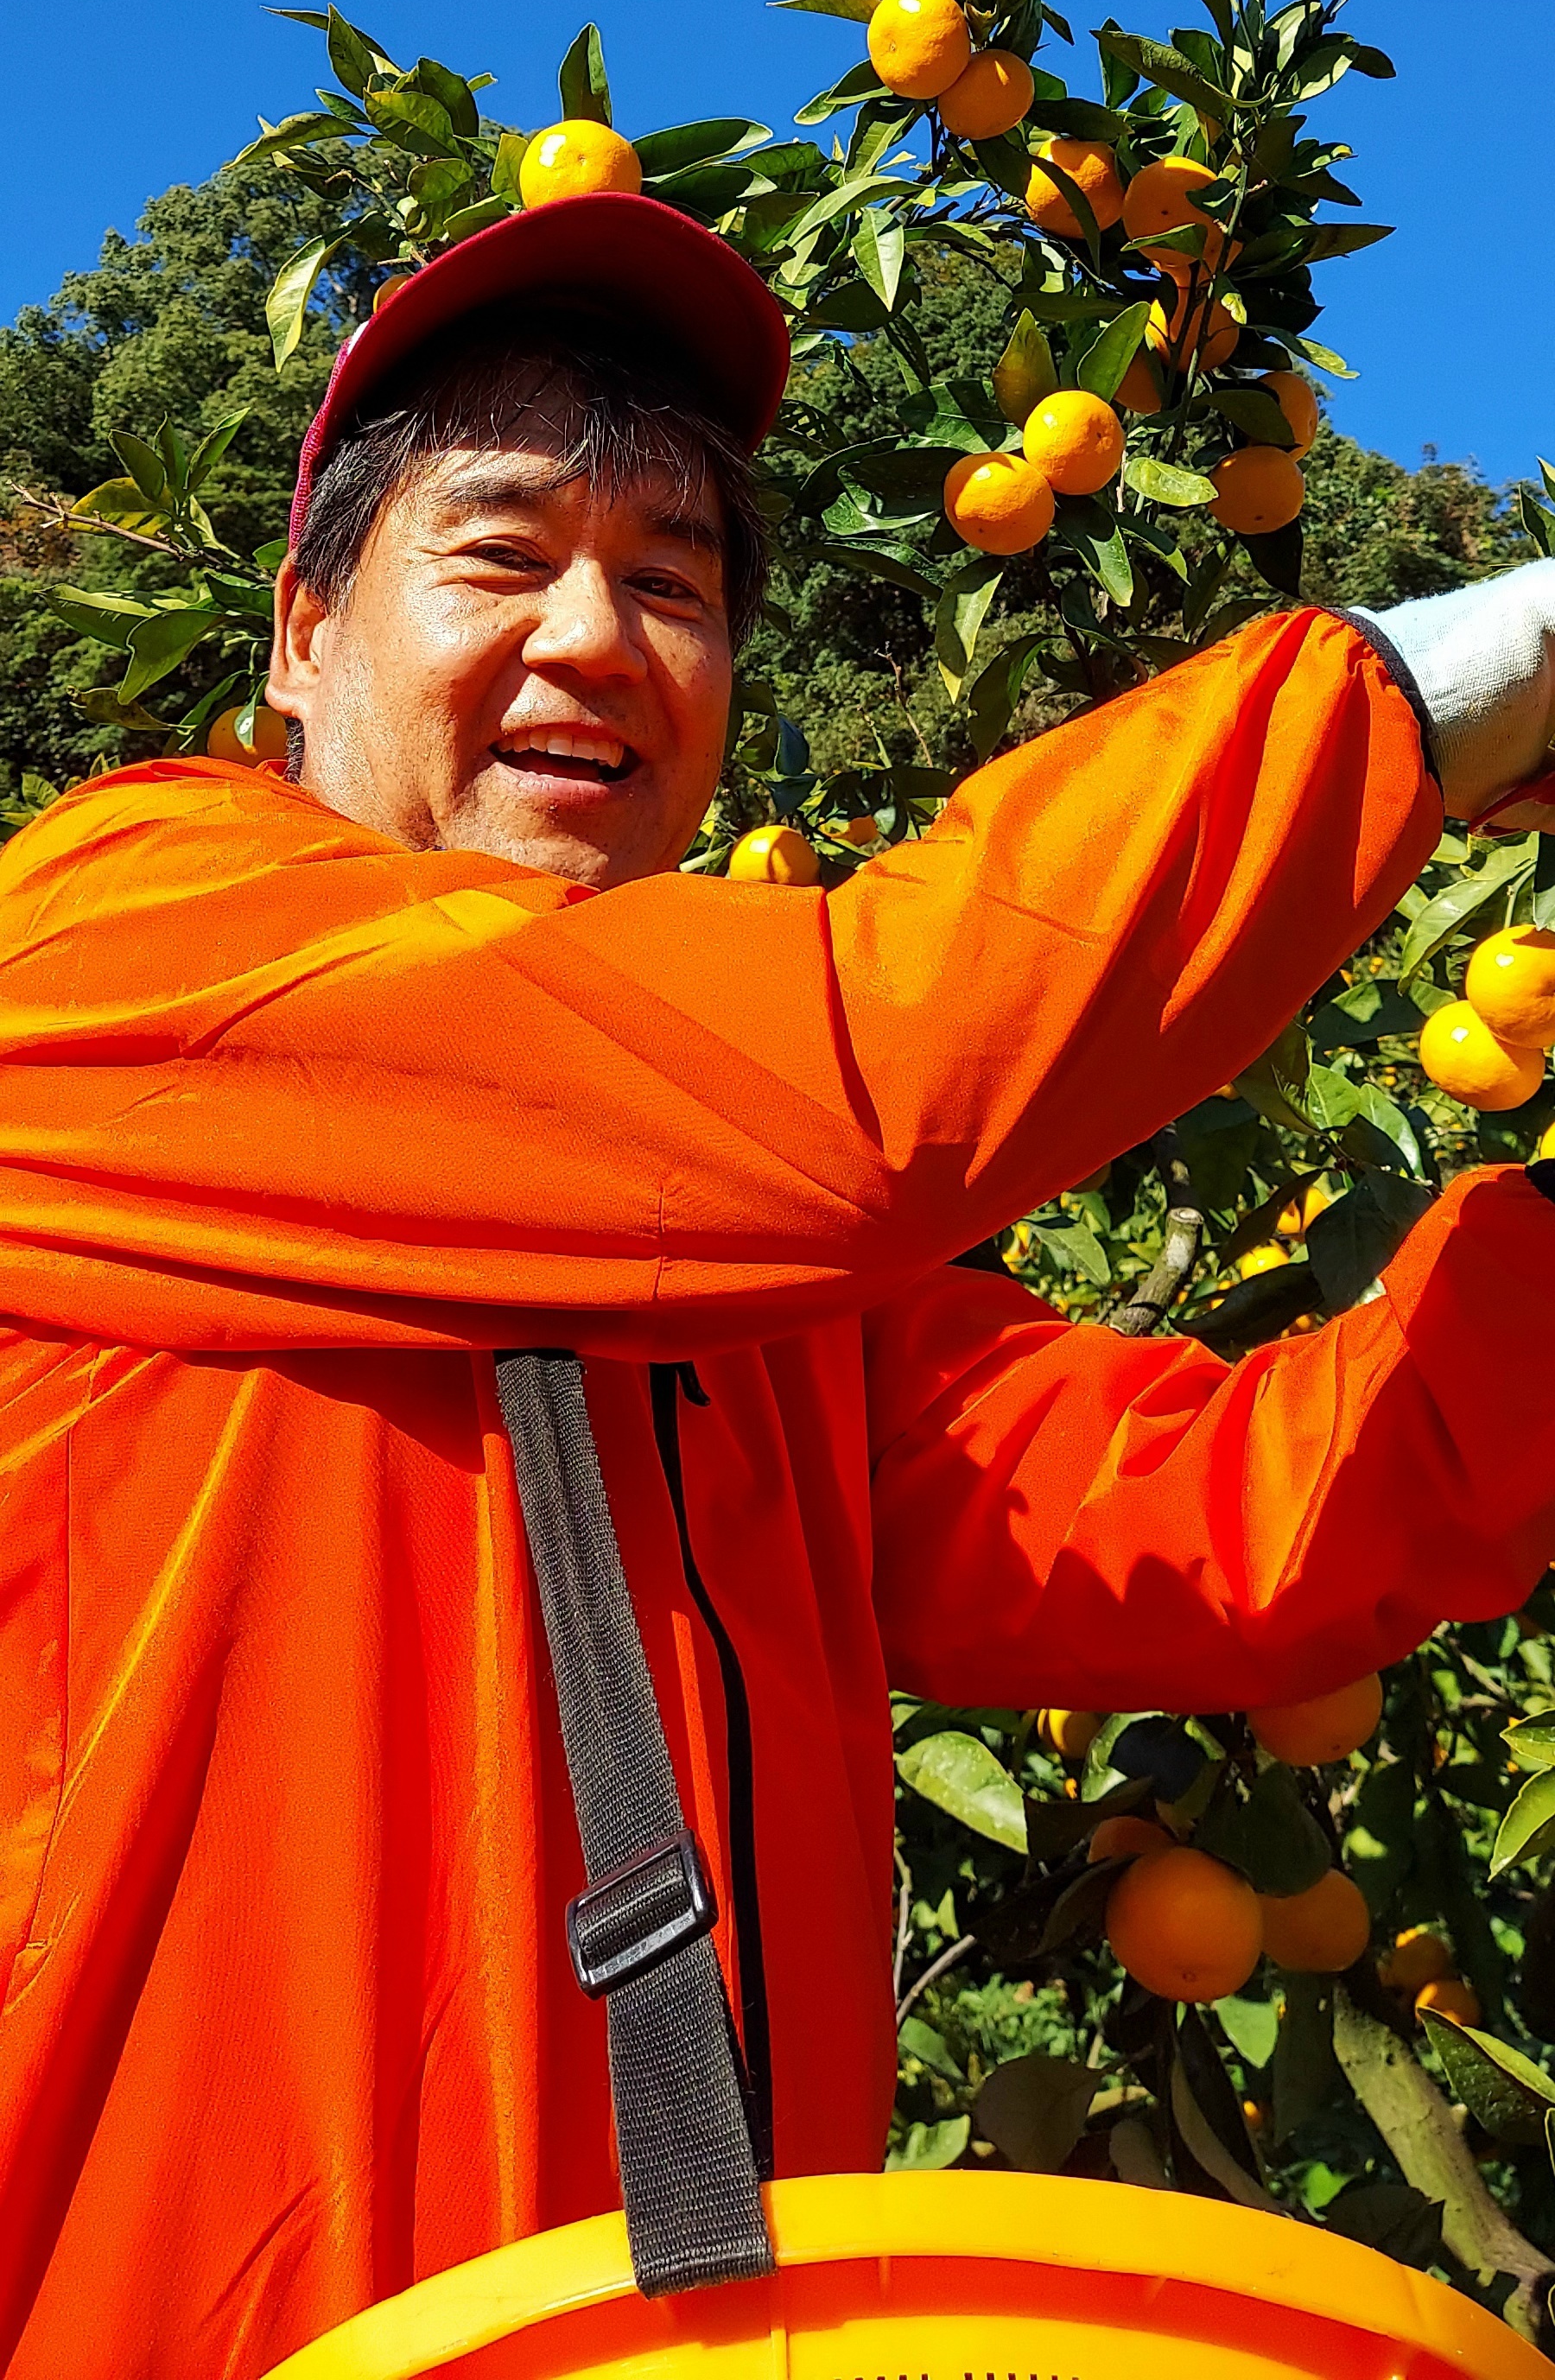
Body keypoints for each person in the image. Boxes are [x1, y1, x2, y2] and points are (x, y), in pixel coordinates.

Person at [0, 189, 1553, 2380]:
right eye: (502, 548)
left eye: (675, 581)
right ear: (296, 635)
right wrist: (1477, 679)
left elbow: (1212, 1515)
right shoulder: (114, 949)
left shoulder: (727, 1243)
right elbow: (880, 1066)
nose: (599, 634)